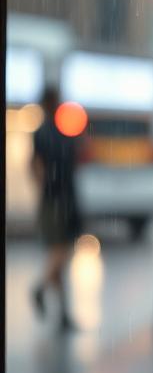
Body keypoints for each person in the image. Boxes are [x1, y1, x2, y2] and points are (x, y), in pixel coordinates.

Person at [30, 84, 83, 332]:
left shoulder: (48, 133)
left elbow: (36, 167)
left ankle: (63, 314)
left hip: (56, 199)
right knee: (61, 252)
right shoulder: (54, 133)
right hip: (60, 200)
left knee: (60, 256)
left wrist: (44, 188)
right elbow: (40, 166)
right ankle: (41, 288)